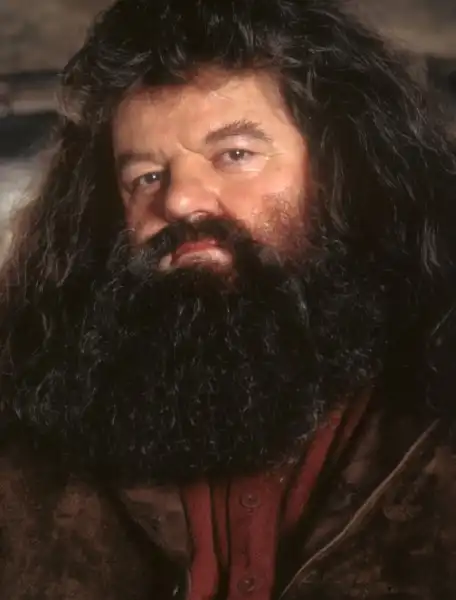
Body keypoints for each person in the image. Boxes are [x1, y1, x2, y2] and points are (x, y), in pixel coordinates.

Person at [1, 0, 456, 598]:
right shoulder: (42, 427)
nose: (180, 201)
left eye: (235, 155)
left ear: (341, 170)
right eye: (146, 176)